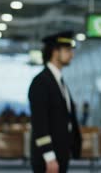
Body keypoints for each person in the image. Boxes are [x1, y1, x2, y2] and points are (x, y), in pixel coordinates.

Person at [28, 31, 82, 173]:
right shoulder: (41, 82)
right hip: (48, 158)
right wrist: (49, 157)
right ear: (54, 52)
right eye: (67, 50)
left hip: (60, 152)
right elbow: (40, 123)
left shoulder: (59, 81)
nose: (72, 54)